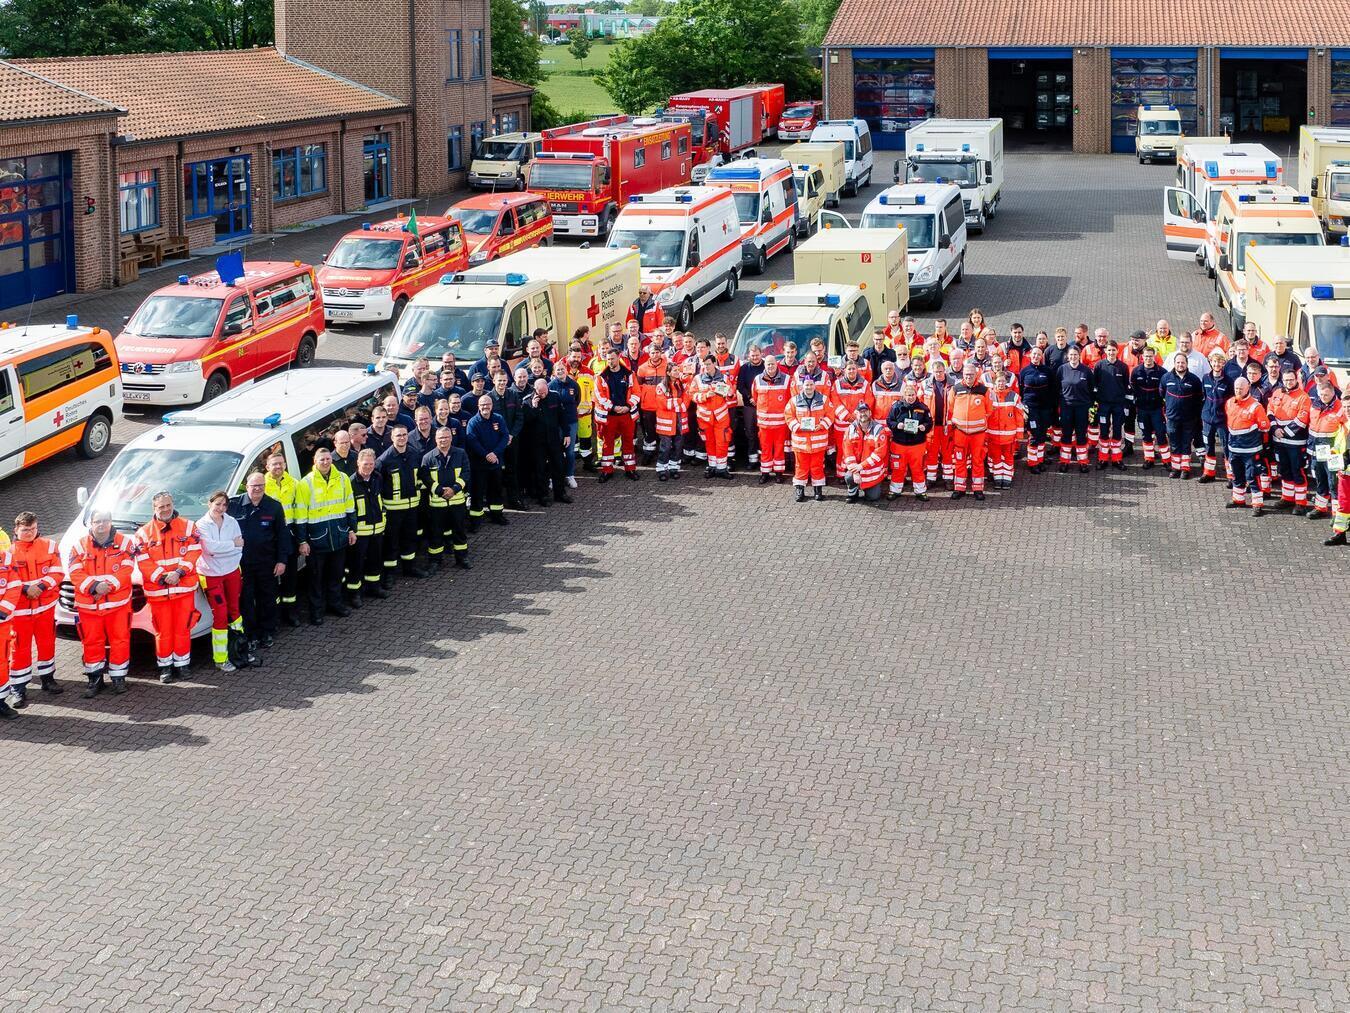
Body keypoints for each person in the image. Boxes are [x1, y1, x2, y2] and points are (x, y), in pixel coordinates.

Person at [67, 509, 136, 697]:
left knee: (120, 641)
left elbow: (126, 569)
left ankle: (118, 678)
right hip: (89, 607)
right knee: (91, 642)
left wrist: (108, 586)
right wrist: (95, 586)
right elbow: (74, 572)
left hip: (117, 605)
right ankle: (95, 680)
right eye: (97, 521)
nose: (101, 525)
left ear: (111, 522)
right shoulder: (79, 546)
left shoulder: (125, 543)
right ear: (91, 523)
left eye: (105, 521)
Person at [135, 493, 202, 684]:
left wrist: (179, 573)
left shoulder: (189, 527)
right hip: (158, 591)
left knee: (183, 628)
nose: (165, 509)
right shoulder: (143, 533)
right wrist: (162, 577)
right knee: (162, 631)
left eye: (168, 505)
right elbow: (143, 560)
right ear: (154, 509)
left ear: (173, 504)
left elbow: (195, 551)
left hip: (183, 589)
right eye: (160, 507)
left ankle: (182, 665)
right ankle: (165, 667)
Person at [6, 512, 63, 707]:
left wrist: (39, 587)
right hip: (20, 611)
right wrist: (24, 589)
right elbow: (6, 579)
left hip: (45, 607)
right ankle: (18, 688)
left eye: (32, 529)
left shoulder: (50, 546)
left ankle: (48, 678)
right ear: (16, 530)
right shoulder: (9, 552)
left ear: (37, 527)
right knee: (19, 649)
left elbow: (57, 572)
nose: (29, 532)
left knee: (47, 644)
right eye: (25, 530)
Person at [295, 447, 358, 624]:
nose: (325, 462)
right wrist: (302, 541)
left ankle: (335, 604)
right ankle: (316, 611)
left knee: (336, 574)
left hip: (339, 535)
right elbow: (300, 514)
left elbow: (349, 505)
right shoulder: (305, 483)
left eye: (328, 459)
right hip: (317, 539)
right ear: (315, 461)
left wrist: (352, 530)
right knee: (316, 578)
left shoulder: (343, 478)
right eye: (321, 459)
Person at [229, 472, 291, 650]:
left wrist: (282, 561)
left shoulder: (274, 506)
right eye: (253, 486)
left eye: (261, 486)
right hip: (242, 565)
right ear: (246, 486)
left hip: (267, 563)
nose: (257, 489)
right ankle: (250, 634)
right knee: (246, 600)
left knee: (267, 598)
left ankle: (267, 632)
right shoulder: (234, 505)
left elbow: (282, 536)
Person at [197, 490, 251, 673]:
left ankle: (240, 648)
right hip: (211, 574)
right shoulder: (201, 525)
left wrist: (224, 549)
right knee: (220, 614)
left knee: (235, 611)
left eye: (224, 505)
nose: (221, 508)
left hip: (232, 570)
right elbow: (209, 548)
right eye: (217, 504)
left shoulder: (232, 522)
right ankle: (221, 658)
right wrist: (231, 545)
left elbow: (240, 548)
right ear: (209, 504)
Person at [376, 425, 429, 582]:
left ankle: (409, 567)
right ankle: (389, 573)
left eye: (404, 435)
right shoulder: (384, 460)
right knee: (392, 541)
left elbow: (420, 477)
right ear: (392, 438)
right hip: (393, 511)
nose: (402, 438)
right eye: (398, 435)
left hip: (412, 507)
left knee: (410, 538)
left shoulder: (414, 454)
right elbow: (378, 487)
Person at [419, 427, 473, 570]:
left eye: (446, 437)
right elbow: (425, 477)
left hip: (457, 502)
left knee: (459, 532)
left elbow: (466, 473)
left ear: (451, 438)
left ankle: (462, 558)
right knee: (435, 534)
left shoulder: (460, 454)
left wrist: (454, 489)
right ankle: (435, 561)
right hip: (437, 504)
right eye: (440, 438)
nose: (443, 440)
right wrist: (439, 490)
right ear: (436, 439)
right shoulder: (428, 458)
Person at [344, 449, 388, 607]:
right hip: (359, 533)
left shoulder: (378, 477)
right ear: (358, 463)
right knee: (356, 564)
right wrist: (350, 530)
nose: (369, 466)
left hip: (377, 529)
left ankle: (374, 587)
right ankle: (354, 594)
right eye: (365, 464)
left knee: (375, 561)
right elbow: (348, 509)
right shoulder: (351, 483)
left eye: (371, 463)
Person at [1268, 366, 1311, 514]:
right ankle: (1287, 498)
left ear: (1296, 379)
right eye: (1286, 380)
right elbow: (1270, 411)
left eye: (1291, 380)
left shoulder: (1303, 397)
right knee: (1284, 470)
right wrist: (1274, 429)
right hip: (1279, 441)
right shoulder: (1277, 392)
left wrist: (1283, 432)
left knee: (1297, 471)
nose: (1288, 382)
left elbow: (1302, 420)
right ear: (1282, 380)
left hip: (1295, 443)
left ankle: (1301, 503)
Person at [1224, 377, 1270, 515]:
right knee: (1237, 476)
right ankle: (1238, 499)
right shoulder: (1229, 403)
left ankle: (1257, 503)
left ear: (1248, 387)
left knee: (1252, 477)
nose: (1238, 391)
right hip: (1234, 448)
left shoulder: (1256, 406)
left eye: (1241, 388)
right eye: (1236, 388)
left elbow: (1265, 426)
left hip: (1250, 450)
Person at [522, 377, 572, 504]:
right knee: (540, 469)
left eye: (545, 392)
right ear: (535, 390)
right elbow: (526, 421)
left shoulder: (554, 396)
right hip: (537, 442)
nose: (543, 395)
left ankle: (560, 493)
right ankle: (543, 496)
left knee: (559, 466)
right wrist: (534, 407)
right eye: (540, 393)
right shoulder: (527, 401)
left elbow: (562, 416)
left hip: (554, 439)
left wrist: (566, 433)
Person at [595, 347, 640, 482]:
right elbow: (599, 396)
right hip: (610, 416)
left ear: (618, 357)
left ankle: (630, 469)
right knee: (607, 443)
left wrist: (627, 406)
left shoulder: (629, 374)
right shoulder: (601, 376)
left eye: (612, 359)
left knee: (628, 442)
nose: (610, 361)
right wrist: (614, 407)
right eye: (608, 359)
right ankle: (607, 470)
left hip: (626, 415)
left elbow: (637, 393)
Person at [464, 395, 511, 525]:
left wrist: (495, 453)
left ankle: (497, 515)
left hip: (495, 463)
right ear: (478, 406)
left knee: (496, 490)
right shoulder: (473, 422)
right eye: (482, 404)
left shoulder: (498, 418)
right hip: (479, 465)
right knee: (477, 492)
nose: (485, 407)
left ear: (492, 405)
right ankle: (476, 519)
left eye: (488, 404)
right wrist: (487, 455)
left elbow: (505, 436)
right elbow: (473, 441)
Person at [1307, 372, 1348, 519]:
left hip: (1333, 452)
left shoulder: (1340, 409)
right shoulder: (1315, 406)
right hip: (1317, 450)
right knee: (1320, 479)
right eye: (1321, 395)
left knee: (1333, 482)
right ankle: (1320, 508)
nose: (1323, 397)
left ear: (1333, 393)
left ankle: (1337, 513)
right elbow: (1311, 428)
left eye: (1326, 395)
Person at [948, 362, 991, 499]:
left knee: (977, 461)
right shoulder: (955, 389)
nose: (968, 377)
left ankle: (978, 489)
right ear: (963, 374)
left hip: (978, 434)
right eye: (966, 374)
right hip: (960, 432)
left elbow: (989, 410)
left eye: (971, 374)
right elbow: (950, 408)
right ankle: (959, 488)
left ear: (976, 375)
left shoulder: (984, 390)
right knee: (960, 460)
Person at [786, 375, 832, 501]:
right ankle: (800, 490)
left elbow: (830, 415)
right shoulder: (794, 400)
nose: (809, 387)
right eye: (807, 385)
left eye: (811, 384)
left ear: (815, 385)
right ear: (802, 386)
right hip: (801, 442)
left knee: (817, 466)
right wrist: (798, 426)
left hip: (818, 442)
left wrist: (822, 425)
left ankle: (818, 490)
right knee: (800, 467)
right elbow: (789, 417)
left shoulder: (824, 399)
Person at [885, 379, 932, 500]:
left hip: (917, 445)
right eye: (908, 395)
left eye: (912, 395)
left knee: (918, 469)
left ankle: (920, 491)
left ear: (916, 395)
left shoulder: (923, 407)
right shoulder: (896, 407)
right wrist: (897, 425)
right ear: (904, 395)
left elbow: (929, 422)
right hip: (899, 444)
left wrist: (924, 427)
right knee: (898, 468)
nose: (910, 397)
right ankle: (895, 491)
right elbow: (889, 421)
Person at [691, 355, 734, 479]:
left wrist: (723, 389)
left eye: (709, 364)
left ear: (714, 364)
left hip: (721, 417)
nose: (706, 367)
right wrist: (705, 396)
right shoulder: (698, 379)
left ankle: (722, 469)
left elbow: (731, 394)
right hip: (704, 418)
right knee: (709, 442)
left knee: (722, 442)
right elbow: (692, 395)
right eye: (704, 365)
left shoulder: (724, 377)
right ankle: (712, 467)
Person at [752, 354, 792, 483]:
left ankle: (779, 473)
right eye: (768, 364)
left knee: (779, 448)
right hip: (764, 425)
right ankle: (765, 472)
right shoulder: (757, 380)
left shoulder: (786, 380)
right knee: (765, 449)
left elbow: (791, 399)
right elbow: (755, 397)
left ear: (777, 364)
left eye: (773, 364)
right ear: (765, 365)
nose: (770, 366)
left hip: (781, 424)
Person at [1056, 345, 1095, 473]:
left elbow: (1091, 389)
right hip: (1066, 407)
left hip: (1082, 408)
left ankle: (1083, 462)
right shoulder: (1061, 369)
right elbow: (1057, 388)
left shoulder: (1086, 371)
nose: (1073, 357)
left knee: (1081, 435)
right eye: (1071, 355)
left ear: (1079, 356)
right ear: (1068, 356)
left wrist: (1089, 406)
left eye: (1075, 355)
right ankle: (1064, 461)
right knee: (1066, 434)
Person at [842, 402, 890, 503]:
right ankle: (852, 492)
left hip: (872, 471)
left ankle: (869, 489)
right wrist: (855, 471)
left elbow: (879, 453)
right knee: (849, 476)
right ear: (856, 413)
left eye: (865, 411)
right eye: (860, 412)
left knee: (873, 497)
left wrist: (862, 466)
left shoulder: (878, 429)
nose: (863, 414)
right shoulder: (850, 429)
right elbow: (848, 453)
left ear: (870, 413)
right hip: (856, 469)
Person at [1093, 341, 1130, 469]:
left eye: (1113, 350)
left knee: (1117, 431)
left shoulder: (1123, 367)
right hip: (1103, 404)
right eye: (1109, 350)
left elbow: (1125, 385)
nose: (1111, 352)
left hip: (1118, 405)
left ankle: (1117, 459)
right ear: (1105, 351)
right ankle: (1102, 459)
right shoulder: (1099, 366)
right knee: (1103, 431)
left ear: (1117, 351)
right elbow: (1095, 384)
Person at [1199, 350, 1235, 484]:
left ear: (1224, 363)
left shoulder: (1229, 381)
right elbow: (1203, 396)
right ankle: (1209, 473)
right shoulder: (1205, 378)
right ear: (1210, 362)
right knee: (1209, 445)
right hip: (1208, 419)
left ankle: (1231, 476)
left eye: (1220, 361)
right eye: (1214, 361)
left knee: (1226, 447)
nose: (1217, 364)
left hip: (1222, 420)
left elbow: (1232, 401)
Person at [986, 372, 1026, 489]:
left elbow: (1019, 416)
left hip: (1009, 435)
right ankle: (998, 479)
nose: (1001, 383)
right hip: (993, 435)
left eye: (1003, 381)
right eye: (999, 381)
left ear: (1006, 382)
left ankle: (1007, 478)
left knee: (1008, 457)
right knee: (996, 457)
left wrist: (1019, 434)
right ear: (994, 382)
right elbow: (986, 415)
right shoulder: (989, 395)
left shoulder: (1013, 396)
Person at [1130, 346, 1167, 469]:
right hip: (1142, 409)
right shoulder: (1136, 371)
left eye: (1150, 356)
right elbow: (1133, 387)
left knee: (1161, 434)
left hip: (1156, 409)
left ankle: (1166, 460)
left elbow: (1165, 391)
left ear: (1154, 357)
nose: (1148, 359)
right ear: (1142, 357)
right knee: (1145, 434)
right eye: (1146, 356)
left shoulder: (1162, 372)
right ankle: (1149, 459)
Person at [920, 358, 956, 488]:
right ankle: (931, 479)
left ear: (945, 371)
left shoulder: (954, 385)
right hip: (932, 426)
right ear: (932, 372)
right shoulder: (925, 385)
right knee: (931, 453)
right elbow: (919, 403)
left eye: (941, 371)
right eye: (936, 372)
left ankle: (948, 479)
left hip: (947, 426)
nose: (939, 374)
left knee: (948, 453)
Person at [1019, 346, 1055, 473]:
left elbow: (1052, 389)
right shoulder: (1024, 371)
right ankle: (1032, 463)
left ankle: (1039, 460)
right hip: (1031, 409)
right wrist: (1023, 408)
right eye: (1034, 354)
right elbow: (1020, 390)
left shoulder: (1047, 371)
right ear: (1030, 355)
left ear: (1042, 357)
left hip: (1044, 408)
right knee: (1034, 435)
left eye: (1038, 355)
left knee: (1041, 435)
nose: (1036, 357)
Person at [653, 361, 690, 481]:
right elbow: (662, 403)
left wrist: (678, 403)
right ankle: (662, 469)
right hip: (667, 422)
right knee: (666, 447)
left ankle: (674, 468)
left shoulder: (681, 384)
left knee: (678, 445)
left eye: (678, 370)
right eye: (674, 370)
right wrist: (679, 402)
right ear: (668, 372)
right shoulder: (661, 386)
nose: (677, 372)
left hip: (679, 420)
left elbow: (687, 399)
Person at [549, 361, 582, 487]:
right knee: (555, 451)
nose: (560, 372)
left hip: (571, 422)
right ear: (554, 372)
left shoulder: (574, 384)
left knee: (570, 451)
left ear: (566, 370)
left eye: (562, 369)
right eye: (558, 370)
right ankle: (554, 476)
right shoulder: (551, 386)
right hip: (556, 424)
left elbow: (577, 400)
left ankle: (570, 475)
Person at [636, 341, 667, 464]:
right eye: (652, 352)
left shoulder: (667, 366)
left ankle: (663, 453)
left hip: (663, 406)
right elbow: (638, 387)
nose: (655, 355)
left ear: (661, 353)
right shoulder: (642, 368)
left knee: (664, 430)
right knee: (649, 431)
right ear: (649, 354)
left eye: (657, 352)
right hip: (647, 406)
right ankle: (649, 453)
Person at [735, 343, 764, 469]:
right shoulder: (744, 368)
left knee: (763, 433)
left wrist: (760, 399)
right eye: (753, 355)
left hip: (764, 406)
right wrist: (750, 397)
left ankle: (764, 460)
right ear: (748, 356)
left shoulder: (766, 366)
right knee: (751, 433)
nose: (755, 357)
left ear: (761, 354)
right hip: (749, 406)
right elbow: (740, 386)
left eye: (757, 355)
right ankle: (752, 459)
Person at [0, 544, 20, 719]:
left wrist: (1, 611)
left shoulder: (6, 559)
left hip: (1, 623)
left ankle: (0, 702)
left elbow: (14, 587)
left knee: (1, 663)